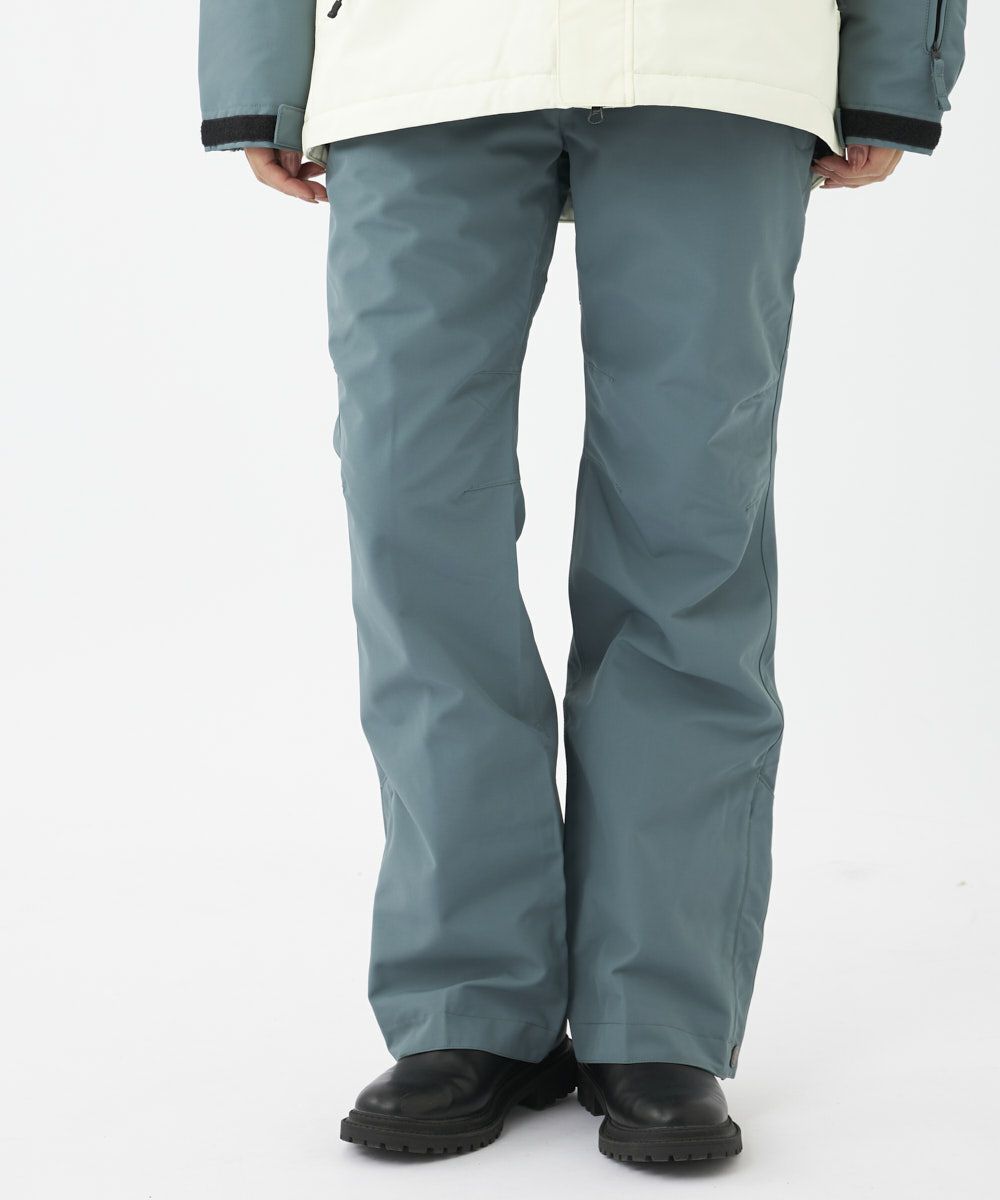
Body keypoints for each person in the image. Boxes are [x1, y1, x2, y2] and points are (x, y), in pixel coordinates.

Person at [198, 0, 967, 1164]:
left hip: (720, 49)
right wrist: (258, 67)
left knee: (685, 530)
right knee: (412, 519)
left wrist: (894, 64)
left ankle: (653, 1016)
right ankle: (467, 1003)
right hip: (414, 54)